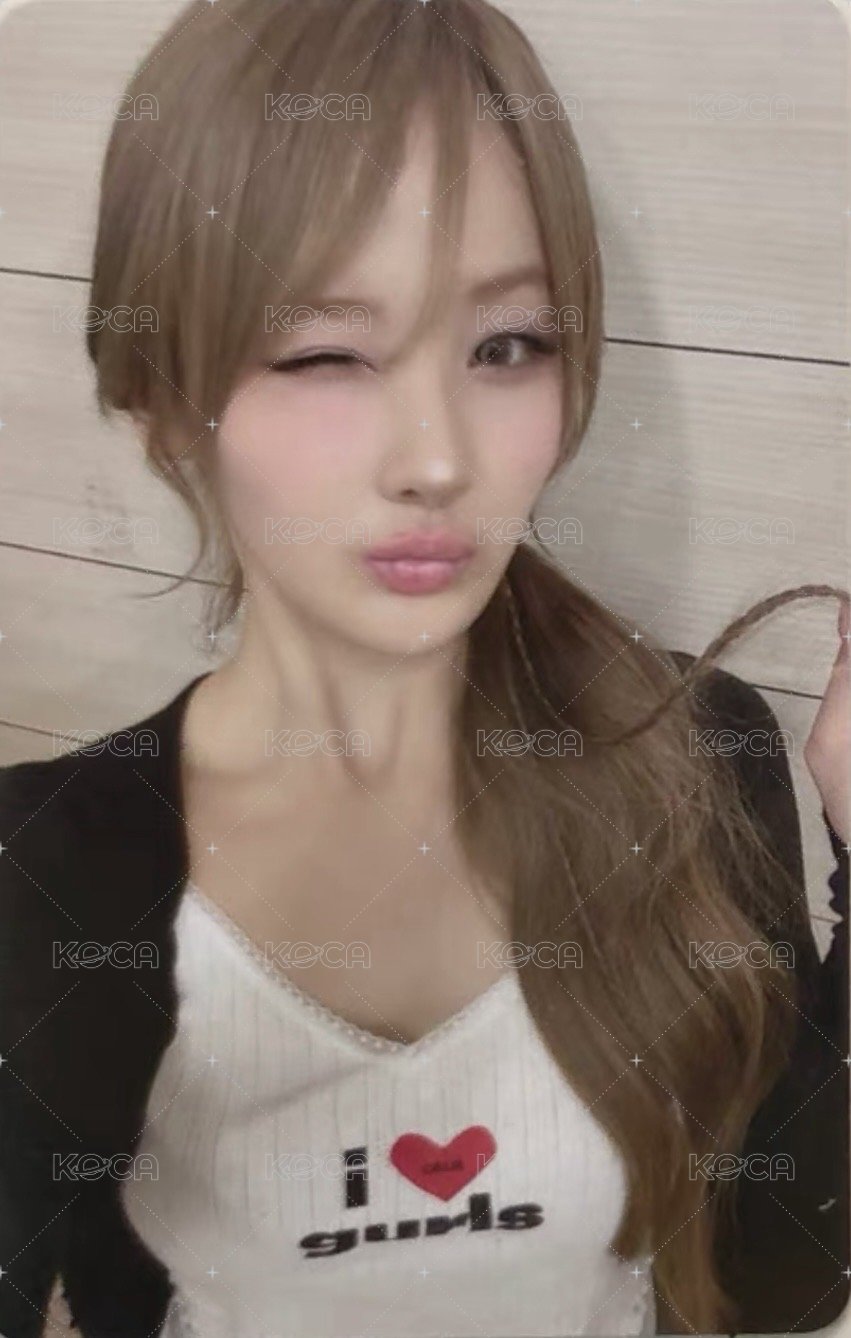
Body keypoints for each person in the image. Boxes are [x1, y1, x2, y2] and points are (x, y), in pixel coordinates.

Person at [0, 1, 847, 1335]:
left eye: (507, 346)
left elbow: (779, 1280)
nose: (440, 458)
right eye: (324, 352)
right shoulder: (44, 879)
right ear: (160, 404)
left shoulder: (691, 752)